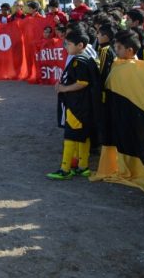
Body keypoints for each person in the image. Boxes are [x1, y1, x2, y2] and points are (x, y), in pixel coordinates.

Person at [47, 29, 100, 180]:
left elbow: (82, 83)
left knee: (70, 136)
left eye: (69, 44)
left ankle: (65, 169)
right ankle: (83, 167)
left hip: (77, 105)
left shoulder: (79, 61)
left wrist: (64, 88)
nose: (66, 47)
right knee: (83, 136)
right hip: (84, 105)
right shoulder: (86, 59)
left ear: (80, 45)